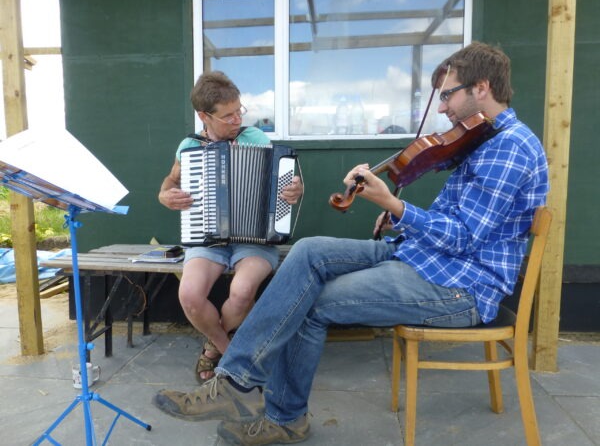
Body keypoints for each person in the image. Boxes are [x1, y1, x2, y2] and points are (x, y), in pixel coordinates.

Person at [153, 42, 549, 446]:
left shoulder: (508, 148)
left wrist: (394, 203)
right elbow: (458, 222)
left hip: (458, 286)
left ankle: (271, 409)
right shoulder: (483, 139)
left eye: (448, 95)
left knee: (309, 302)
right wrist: (398, 218)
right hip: (422, 257)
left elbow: (464, 238)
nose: (442, 108)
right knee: (308, 250)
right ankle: (241, 387)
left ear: (481, 88)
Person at [158, 71, 303, 383]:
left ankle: (215, 349)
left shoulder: (256, 139)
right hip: (207, 236)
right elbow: (170, 183)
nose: (237, 120)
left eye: (240, 111)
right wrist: (165, 195)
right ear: (203, 116)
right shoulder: (189, 147)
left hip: (255, 238)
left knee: (242, 291)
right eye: (227, 116)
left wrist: (295, 189)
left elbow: (287, 182)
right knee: (190, 297)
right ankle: (234, 353)